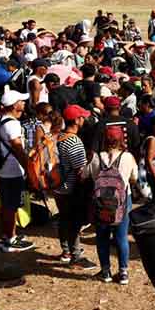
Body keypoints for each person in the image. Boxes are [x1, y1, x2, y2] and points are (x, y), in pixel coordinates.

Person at [87, 125, 137, 284]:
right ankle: (123, 273)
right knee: (121, 237)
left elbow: (89, 175)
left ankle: (105, 271)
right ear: (121, 140)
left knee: (102, 237)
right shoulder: (127, 157)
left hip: (101, 202)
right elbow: (134, 178)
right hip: (123, 200)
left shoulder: (97, 157)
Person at [55, 104, 95, 270]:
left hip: (57, 186)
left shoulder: (59, 137)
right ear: (77, 120)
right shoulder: (74, 141)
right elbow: (81, 171)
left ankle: (66, 252)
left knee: (64, 219)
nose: (84, 119)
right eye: (83, 117)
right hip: (70, 188)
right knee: (73, 222)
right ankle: (76, 256)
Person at [0, 89, 35, 253]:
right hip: (12, 170)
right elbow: (18, 148)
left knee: (7, 203)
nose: (24, 103)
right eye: (22, 101)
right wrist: (29, 169)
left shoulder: (0, 119)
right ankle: (10, 240)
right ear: (14, 105)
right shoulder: (12, 124)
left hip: (2, 168)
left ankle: (8, 235)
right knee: (11, 205)